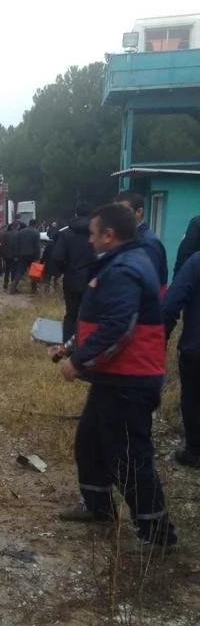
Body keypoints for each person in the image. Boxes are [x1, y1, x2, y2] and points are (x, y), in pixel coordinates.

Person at [52, 204, 177, 546]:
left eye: (93, 234)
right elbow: (99, 320)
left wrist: (78, 363)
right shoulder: (116, 264)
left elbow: (119, 329)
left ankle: (157, 536)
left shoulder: (124, 269)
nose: (89, 240)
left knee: (129, 458)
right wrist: (70, 345)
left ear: (109, 235)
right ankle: (99, 508)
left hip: (129, 380)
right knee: (90, 444)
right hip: (114, 378)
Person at [162, 250, 200, 467]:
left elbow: (170, 304)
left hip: (196, 349)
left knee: (193, 398)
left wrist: (161, 339)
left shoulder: (196, 262)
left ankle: (195, 450)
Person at [48, 204, 96, 341]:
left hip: (71, 280)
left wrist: (66, 269)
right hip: (92, 281)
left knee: (71, 314)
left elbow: (57, 257)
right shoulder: (96, 234)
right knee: (90, 314)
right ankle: (85, 342)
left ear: (75, 215)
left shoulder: (66, 234)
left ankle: (68, 345)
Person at [114, 190, 168, 294]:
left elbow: (149, 284)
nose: (118, 217)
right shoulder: (128, 238)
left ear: (139, 212)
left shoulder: (147, 243)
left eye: (123, 212)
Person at [11, 219, 42, 294]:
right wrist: (38, 257)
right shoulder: (36, 232)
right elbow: (37, 246)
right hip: (33, 255)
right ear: (35, 224)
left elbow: (17, 245)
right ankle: (34, 289)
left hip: (22, 255)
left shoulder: (21, 232)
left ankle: (13, 287)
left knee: (20, 271)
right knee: (34, 272)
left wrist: (16, 255)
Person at [0, 219, 20, 291]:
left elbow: (3, 245)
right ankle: (12, 285)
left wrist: (2, 255)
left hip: (7, 256)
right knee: (14, 270)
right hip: (15, 256)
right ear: (16, 226)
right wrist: (17, 256)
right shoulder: (18, 234)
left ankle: (5, 283)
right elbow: (17, 246)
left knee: (7, 270)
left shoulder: (5, 234)